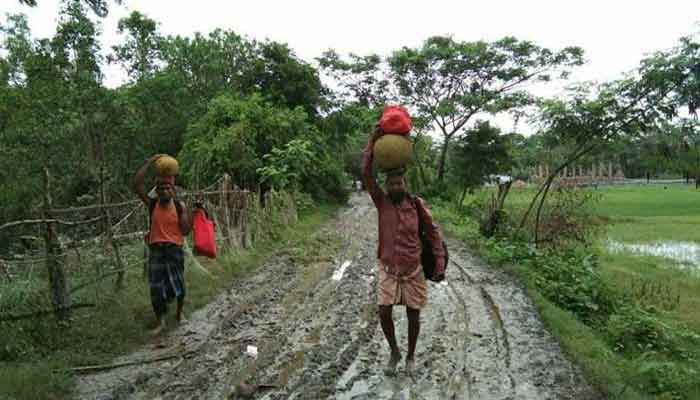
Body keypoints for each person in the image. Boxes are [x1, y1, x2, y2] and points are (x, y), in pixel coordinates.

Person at [362, 127, 446, 376]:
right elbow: (366, 175)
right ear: (386, 186)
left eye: (399, 182)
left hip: (413, 269)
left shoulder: (417, 205)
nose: (395, 186)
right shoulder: (382, 202)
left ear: (405, 184)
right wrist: (372, 141)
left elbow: (433, 234)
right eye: (391, 183)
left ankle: (410, 356)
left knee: (413, 314)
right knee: (383, 311)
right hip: (388, 268)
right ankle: (394, 351)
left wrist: (439, 264)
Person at [132, 154, 191, 336]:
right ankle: (161, 321)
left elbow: (186, 231)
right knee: (156, 287)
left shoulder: (180, 206)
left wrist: (184, 213)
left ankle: (180, 313)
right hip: (156, 249)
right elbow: (137, 185)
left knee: (178, 284)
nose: (163, 191)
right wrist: (148, 162)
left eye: (167, 188)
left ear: (172, 189)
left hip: (174, 249)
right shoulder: (152, 204)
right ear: (156, 191)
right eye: (160, 188)